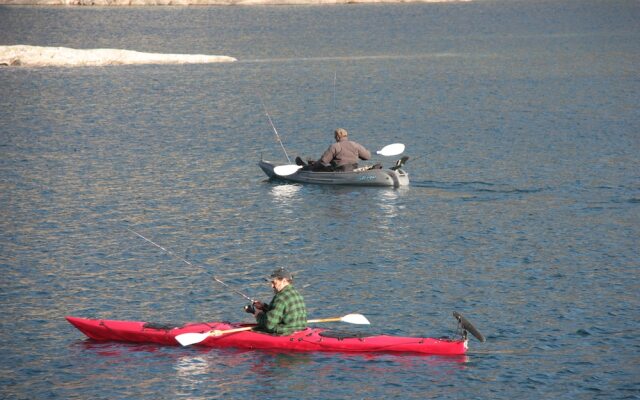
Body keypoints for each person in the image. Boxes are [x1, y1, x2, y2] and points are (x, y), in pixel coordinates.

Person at [246, 267, 307, 335]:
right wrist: (263, 307)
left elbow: (269, 324)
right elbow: (281, 312)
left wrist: (258, 314)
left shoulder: (281, 297)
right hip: (300, 330)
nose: (272, 286)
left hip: (286, 332)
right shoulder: (296, 293)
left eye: (274, 282)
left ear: (284, 281)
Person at [296, 128, 372, 172]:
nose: (335, 138)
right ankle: (308, 164)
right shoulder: (355, 145)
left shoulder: (335, 146)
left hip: (340, 171)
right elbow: (367, 156)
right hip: (353, 170)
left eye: (335, 137)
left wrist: (315, 165)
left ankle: (304, 167)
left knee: (317, 167)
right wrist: (367, 151)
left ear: (338, 137)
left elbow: (323, 161)